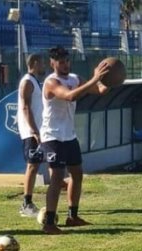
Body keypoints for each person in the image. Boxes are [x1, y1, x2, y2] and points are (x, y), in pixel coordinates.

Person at [39, 46, 111, 235]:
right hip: (52, 136)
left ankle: (72, 216)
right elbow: (70, 96)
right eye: (61, 62)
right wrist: (94, 78)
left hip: (69, 136)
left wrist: (108, 79)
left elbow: (99, 89)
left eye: (67, 61)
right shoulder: (50, 82)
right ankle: (49, 222)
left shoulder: (75, 78)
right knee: (56, 177)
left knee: (77, 174)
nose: (65, 65)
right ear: (52, 63)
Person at [16, 53, 47, 217]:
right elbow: (26, 108)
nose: (44, 66)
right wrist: (34, 130)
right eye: (42, 63)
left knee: (36, 165)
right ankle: (26, 204)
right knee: (32, 165)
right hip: (30, 131)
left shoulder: (35, 81)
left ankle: (28, 202)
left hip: (37, 130)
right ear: (35, 63)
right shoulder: (27, 82)